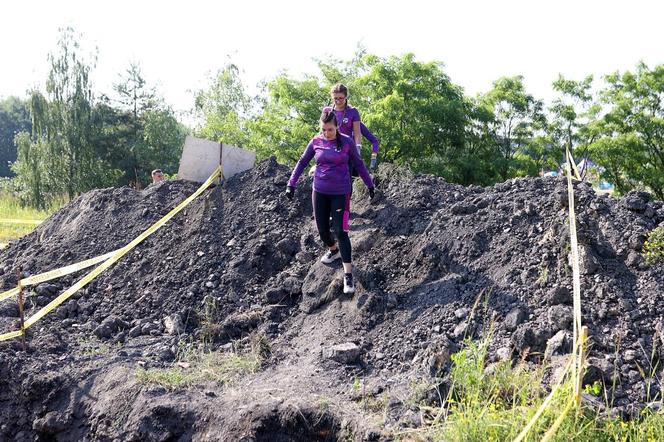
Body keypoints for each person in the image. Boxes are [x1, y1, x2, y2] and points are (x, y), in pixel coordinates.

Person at [285, 111, 375, 294]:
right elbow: (302, 162)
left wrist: (369, 184)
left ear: (337, 127)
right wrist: (291, 183)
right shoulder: (316, 141)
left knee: (341, 231)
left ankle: (348, 275)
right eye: (324, 129)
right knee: (323, 231)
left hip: (341, 192)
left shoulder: (346, 142)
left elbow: (359, 165)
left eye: (330, 129)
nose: (327, 133)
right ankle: (334, 251)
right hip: (319, 191)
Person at [322, 83, 379, 173]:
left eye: (341, 98)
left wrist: (358, 151)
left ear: (346, 97)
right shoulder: (327, 111)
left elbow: (358, 134)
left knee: (346, 179)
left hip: (347, 151)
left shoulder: (352, 112)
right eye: (335, 98)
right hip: (331, 150)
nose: (338, 101)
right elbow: (323, 131)